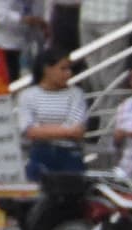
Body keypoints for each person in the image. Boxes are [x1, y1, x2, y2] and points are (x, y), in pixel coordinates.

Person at [17, 52, 87, 185]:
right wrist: (66, 130)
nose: (68, 74)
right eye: (63, 69)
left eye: (69, 69)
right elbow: (29, 131)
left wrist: (43, 130)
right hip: (40, 154)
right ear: (47, 69)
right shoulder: (27, 95)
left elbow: (77, 130)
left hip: (69, 155)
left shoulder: (76, 94)